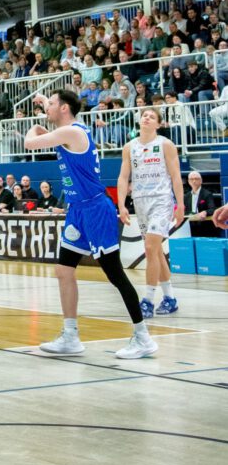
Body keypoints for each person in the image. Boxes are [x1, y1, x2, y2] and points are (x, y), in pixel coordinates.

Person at [25, 90, 158, 360]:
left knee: (115, 274)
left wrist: (35, 127)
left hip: (96, 210)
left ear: (64, 108)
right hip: (77, 210)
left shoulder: (72, 132)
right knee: (64, 270)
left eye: (52, 104)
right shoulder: (67, 131)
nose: (47, 108)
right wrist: (45, 102)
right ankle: (70, 336)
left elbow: (29, 143)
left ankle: (143, 337)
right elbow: (51, 122)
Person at [117, 108, 185, 318]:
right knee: (156, 251)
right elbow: (123, 177)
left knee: (149, 248)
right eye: (144, 115)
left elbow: (176, 176)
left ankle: (147, 300)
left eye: (152, 116)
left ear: (158, 124)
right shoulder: (129, 147)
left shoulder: (165, 144)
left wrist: (181, 205)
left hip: (161, 200)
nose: (147, 118)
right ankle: (170, 298)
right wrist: (121, 205)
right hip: (140, 202)